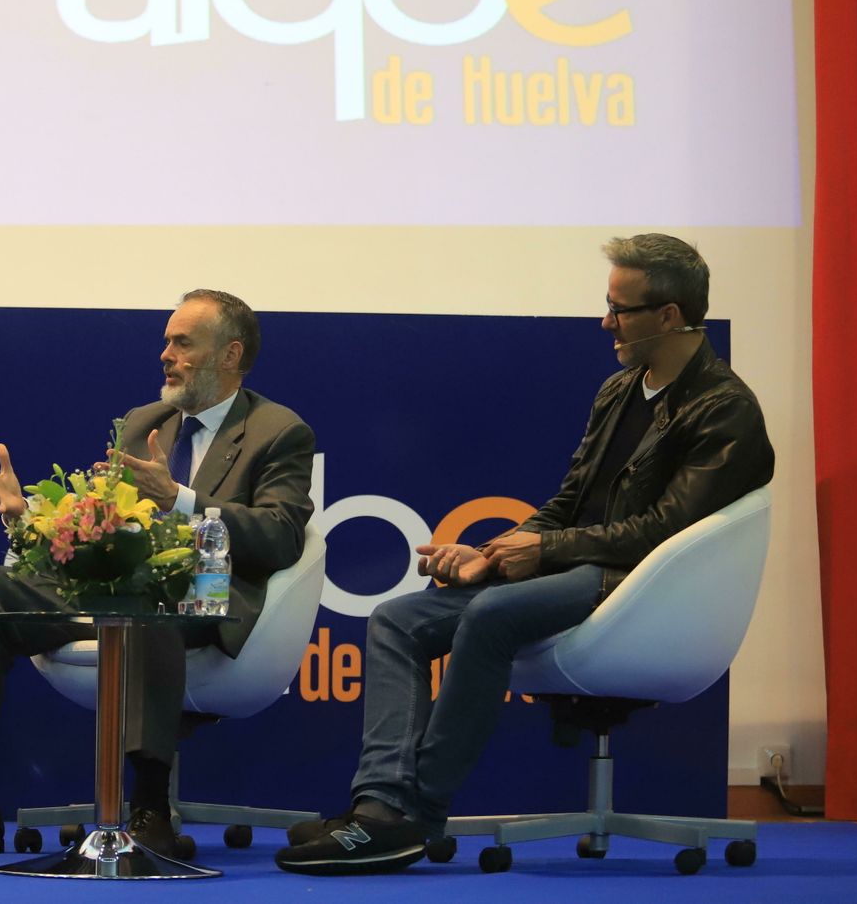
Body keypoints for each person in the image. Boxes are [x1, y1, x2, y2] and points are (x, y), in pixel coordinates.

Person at [276, 234, 775, 876]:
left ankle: (415, 818)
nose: (606, 322)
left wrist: (544, 551)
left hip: (637, 584)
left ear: (671, 315)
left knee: (492, 616)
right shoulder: (618, 391)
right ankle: (379, 809)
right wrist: (493, 554)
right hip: (581, 568)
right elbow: (567, 502)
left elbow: (664, 530)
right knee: (398, 620)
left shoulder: (725, 407)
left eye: (619, 310)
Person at [0, 289, 315, 858]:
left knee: (148, 608)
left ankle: (150, 809)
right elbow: (100, 525)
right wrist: (29, 516)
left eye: (183, 343)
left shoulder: (277, 430)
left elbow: (279, 535)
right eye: (166, 341)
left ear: (230, 355)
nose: (166, 354)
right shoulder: (142, 422)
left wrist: (180, 499)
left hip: (201, 599)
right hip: (114, 586)